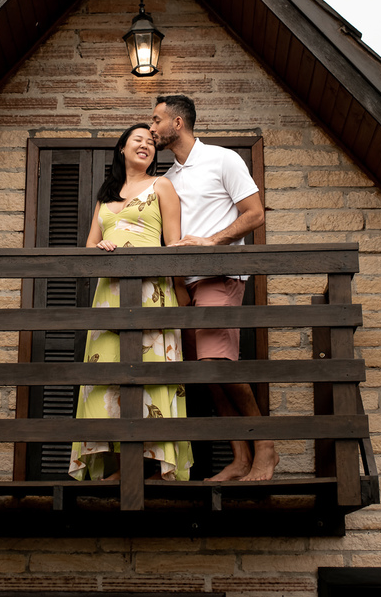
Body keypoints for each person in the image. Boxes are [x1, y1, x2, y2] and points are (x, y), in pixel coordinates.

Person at [149, 94, 274, 482]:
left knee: (217, 364)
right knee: (207, 374)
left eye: (156, 121)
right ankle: (239, 459)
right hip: (183, 286)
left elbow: (254, 213)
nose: (151, 129)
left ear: (178, 123)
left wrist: (212, 241)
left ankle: (266, 451)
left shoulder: (223, 159)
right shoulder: (167, 180)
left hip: (220, 275)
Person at [69, 123, 194, 482]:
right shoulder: (106, 195)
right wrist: (102, 247)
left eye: (151, 142)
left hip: (150, 291)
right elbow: (90, 246)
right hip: (108, 296)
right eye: (138, 140)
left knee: (149, 375)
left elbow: (172, 245)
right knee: (109, 377)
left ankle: (149, 469)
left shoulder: (162, 186)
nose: (146, 145)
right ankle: (125, 469)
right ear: (122, 148)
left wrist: (181, 291)